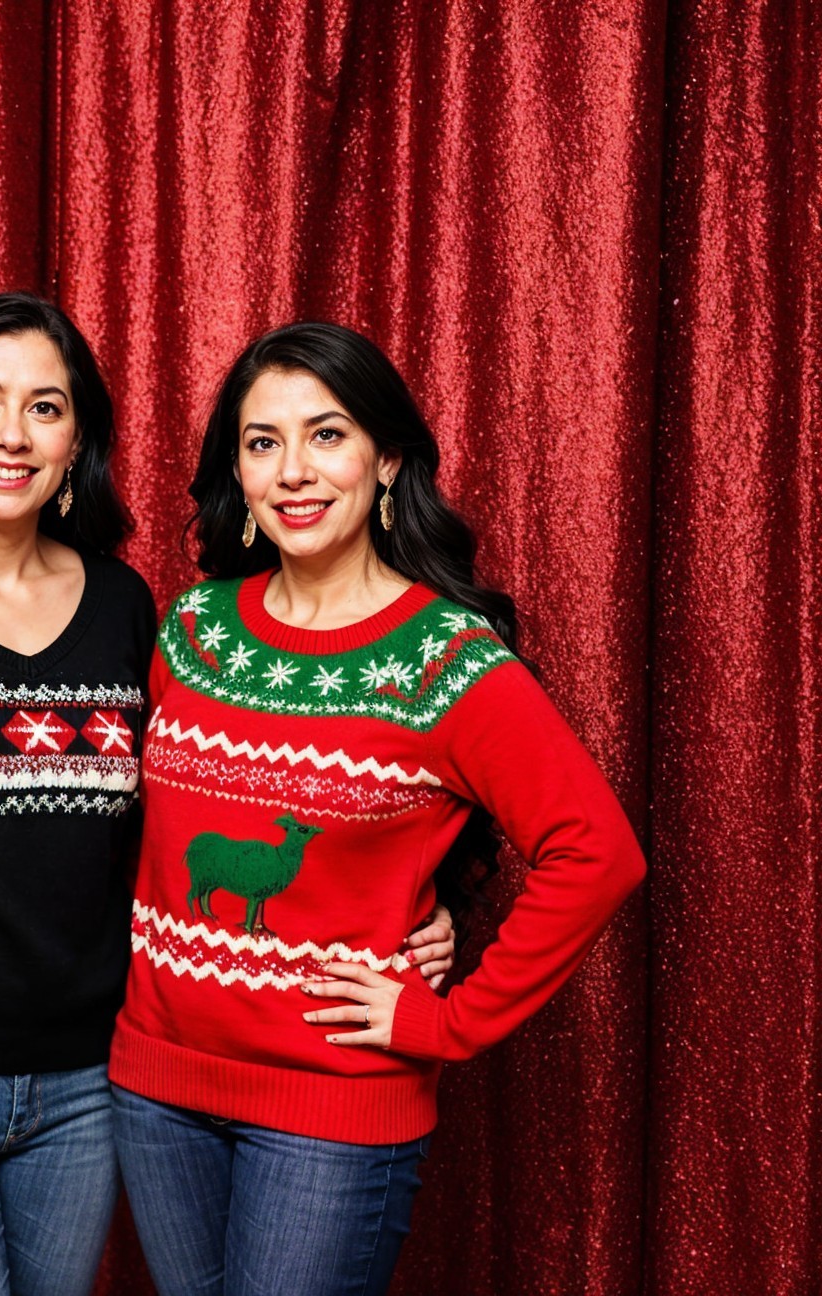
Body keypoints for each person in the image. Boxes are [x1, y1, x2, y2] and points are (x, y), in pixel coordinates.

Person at [0, 297, 454, 1296]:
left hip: (82, 1091)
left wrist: (432, 905)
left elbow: (227, 797)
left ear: (78, 441)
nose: (12, 433)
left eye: (46, 407)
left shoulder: (125, 608)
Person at [108, 321, 646, 1296]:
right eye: (262, 441)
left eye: (327, 434)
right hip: (156, 1089)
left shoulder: (447, 658)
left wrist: (451, 1021)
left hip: (332, 1110)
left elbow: (596, 853)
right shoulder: (190, 629)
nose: (293, 471)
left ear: (388, 459)